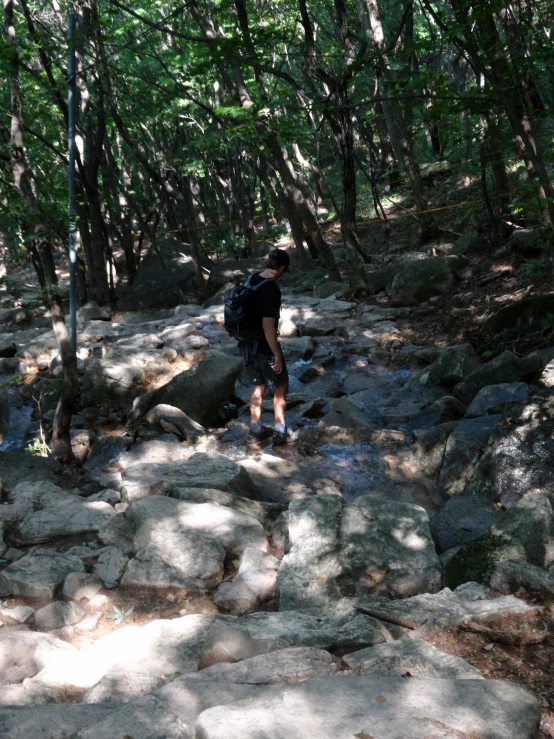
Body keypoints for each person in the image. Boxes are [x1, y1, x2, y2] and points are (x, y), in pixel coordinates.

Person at [241, 248, 298, 445]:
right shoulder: (271, 289)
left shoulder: (250, 280)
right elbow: (268, 325)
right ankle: (281, 431)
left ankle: (255, 429)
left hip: (247, 345)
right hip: (265, 346)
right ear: (282, 268)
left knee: (259, 386)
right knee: (280, 386)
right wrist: (277, 354)